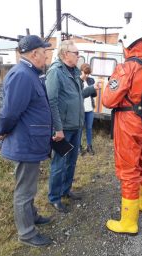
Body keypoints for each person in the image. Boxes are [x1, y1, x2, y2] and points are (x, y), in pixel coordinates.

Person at [0, 35, 53, 247]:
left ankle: (32, 216)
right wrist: (0, 131)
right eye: (44, 51)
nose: (46, 55)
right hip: (25, 143)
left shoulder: (29, 73)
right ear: (34, 53)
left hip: (31, 142)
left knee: (29, 186)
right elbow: (10, 112)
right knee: (25, 190)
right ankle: (27, 233)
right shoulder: (22, 75)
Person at [102, 20, 142, 235]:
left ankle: (128, 222)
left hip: (129, 125)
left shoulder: (127, 67)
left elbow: (108, 99)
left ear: (128, 42)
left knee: (128, 171)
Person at [45, 40, 100, 213]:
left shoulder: (75, 72)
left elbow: (75, 96)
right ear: (64, 54)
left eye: (78, 53)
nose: (78, 55)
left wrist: (90, 89)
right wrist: (57, 128)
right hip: (63, 128)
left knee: (72, 161)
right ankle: (54, 197)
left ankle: (66, 190)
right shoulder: (55, 72)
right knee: (59, 163)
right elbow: (51, 102)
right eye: (75, 53)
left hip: (76, 125)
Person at [78, 63, 97, 156]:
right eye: (85, 73)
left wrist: (94, 89)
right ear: (81, 71)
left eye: (88, 73)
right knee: (80, 129)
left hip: (90, 109)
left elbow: (94, 95)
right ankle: (79, 147)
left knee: (89, 128)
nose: (87, 75)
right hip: (80, 109)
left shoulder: (91, 80)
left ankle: (89, 146)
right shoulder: (77, 80)